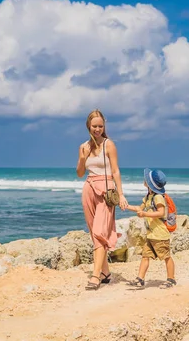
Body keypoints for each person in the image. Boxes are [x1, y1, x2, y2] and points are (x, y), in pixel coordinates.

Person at [76, 109, 128, 290]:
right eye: (94, 126)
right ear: (88, 126)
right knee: (94, 233)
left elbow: (115, 171)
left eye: (100, 126)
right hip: (89, 189)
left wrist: (121, 194)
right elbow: (80, 173)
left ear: (104, 126)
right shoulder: (83, 147)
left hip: (106, 192)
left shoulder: (109, 145)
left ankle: (95, 276)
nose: (97, 129)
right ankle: (105, 272)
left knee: (100, 232)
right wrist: (83, 158)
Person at [125, 168, 176, 289]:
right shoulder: (149, 196)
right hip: (151, 235)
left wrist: (145, 214)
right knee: (145, 256)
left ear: (149, 184)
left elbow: (161, 213)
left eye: (146, 179)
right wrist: (126, 206)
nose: (144, 180)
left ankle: (171, 279)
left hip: (160, 234)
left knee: (166, 257)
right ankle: (140, 279)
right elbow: (140, 208)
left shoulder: (158, 197)